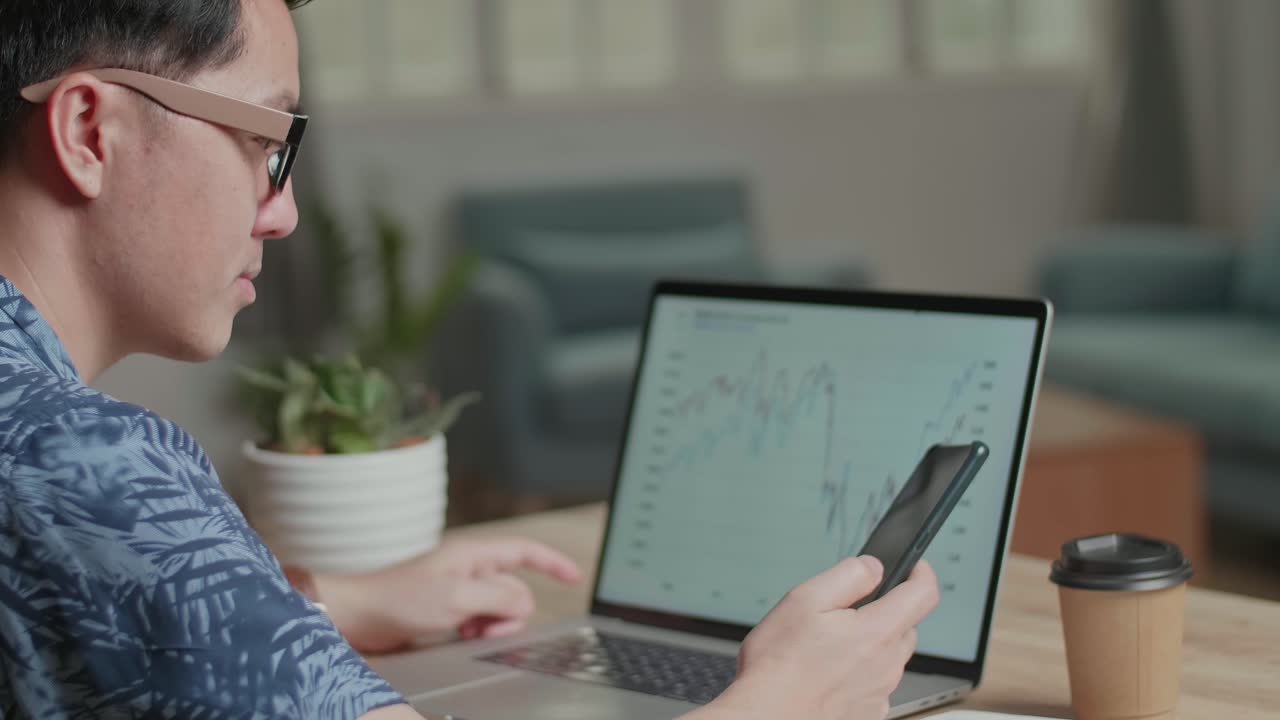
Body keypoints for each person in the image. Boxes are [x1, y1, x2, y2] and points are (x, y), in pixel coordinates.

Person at [0, 0, 940, 717]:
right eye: (263, 141)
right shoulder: (84, 462)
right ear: (89, 133)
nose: (281, 211)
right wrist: (780, 702)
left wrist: (332, 604)